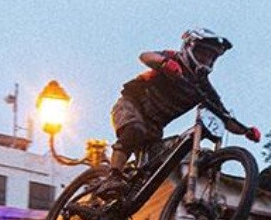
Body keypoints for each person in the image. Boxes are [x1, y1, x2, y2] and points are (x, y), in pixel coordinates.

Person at [106, 29, 261, 182]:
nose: (205, 59)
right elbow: (145, 56)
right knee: (135, 130)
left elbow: (224, 116)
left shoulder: (203, 87)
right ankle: (113, 177)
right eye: (202, 53)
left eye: (210, 56)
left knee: (159, 162)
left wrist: (245, 131)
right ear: (189, 48)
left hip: (155, 126)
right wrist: (164, 63)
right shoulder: (174, 59)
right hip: (130, 105)